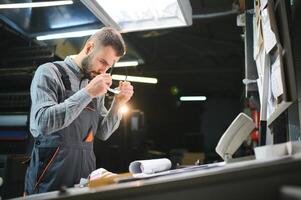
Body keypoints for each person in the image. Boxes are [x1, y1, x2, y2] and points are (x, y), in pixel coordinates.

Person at [24, 27, 133, 195]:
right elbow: (43, 123)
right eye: (102, 62)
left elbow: (103, 132)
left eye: (108, 67)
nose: (103, 70)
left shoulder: (95, 82)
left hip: (83, 180)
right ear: (89, 48)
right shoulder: (50, 72)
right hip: (49, 179)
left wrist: (118, 103)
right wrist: (88, 92)